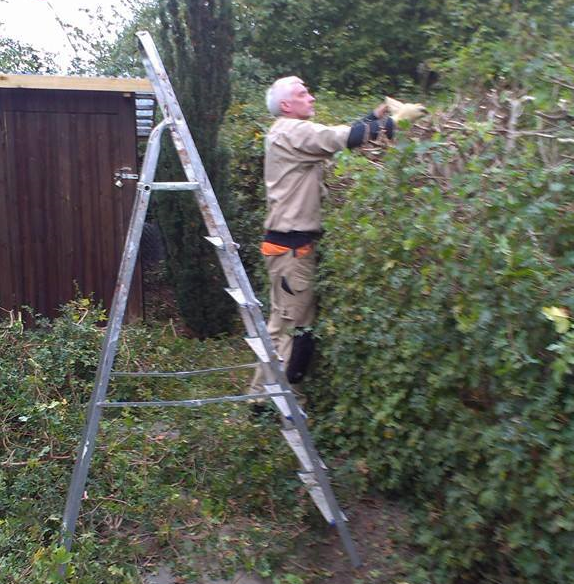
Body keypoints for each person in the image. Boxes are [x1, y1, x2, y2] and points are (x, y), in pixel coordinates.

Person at [250, 76, 426, 398]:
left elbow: (339, 135)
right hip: (292, 251)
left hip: (284, 247)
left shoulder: (286, 133)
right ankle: (275, 404)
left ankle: (262, 398)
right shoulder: (294, 131)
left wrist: (374, 119)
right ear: (286, 105)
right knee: (293, 330)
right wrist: (393, 123)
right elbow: (344, 138)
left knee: (280, 325)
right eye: (303, 94)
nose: (312, 98)